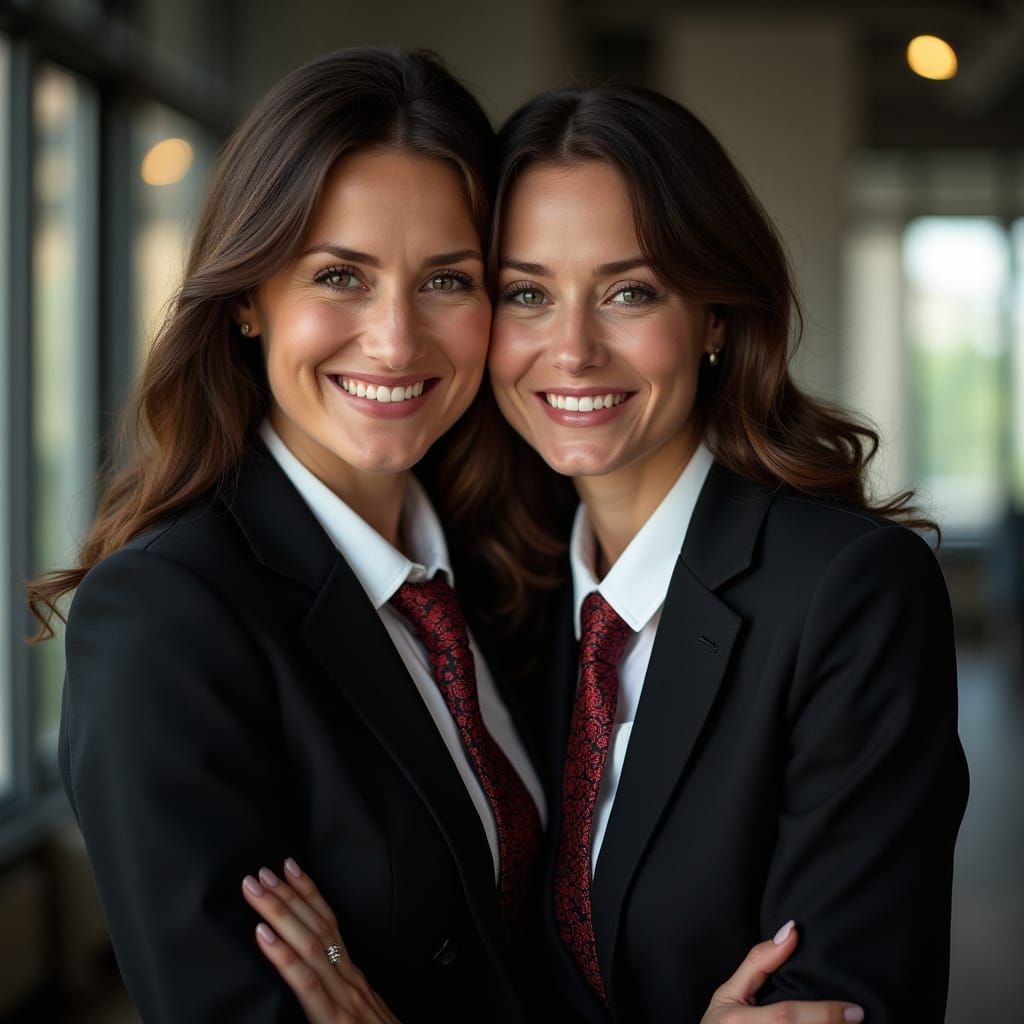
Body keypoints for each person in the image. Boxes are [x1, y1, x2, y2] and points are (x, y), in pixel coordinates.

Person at [29, 48, 548, 1024]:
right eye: (340, 275)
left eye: (447, 279)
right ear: (245, 299)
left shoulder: (503, 563)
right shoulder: (167, 615)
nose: (395, 339)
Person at [478, 84, 969, 1023]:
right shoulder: (499, 596)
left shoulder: (851, 595)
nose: (572, 350)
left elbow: (848, 1002)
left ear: (713, 316)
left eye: (630, 292)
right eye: (526, 293)